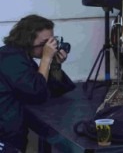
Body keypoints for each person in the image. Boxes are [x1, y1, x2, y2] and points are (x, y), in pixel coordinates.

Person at [0, 15, 75, 152]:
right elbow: (37, 91)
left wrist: (55, 65)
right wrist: (46, 58)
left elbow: (51, 90)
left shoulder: (21, 57)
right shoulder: (10, 60)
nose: (51, 48)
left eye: (52, 42)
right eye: (45, 44)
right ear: (27, 41)